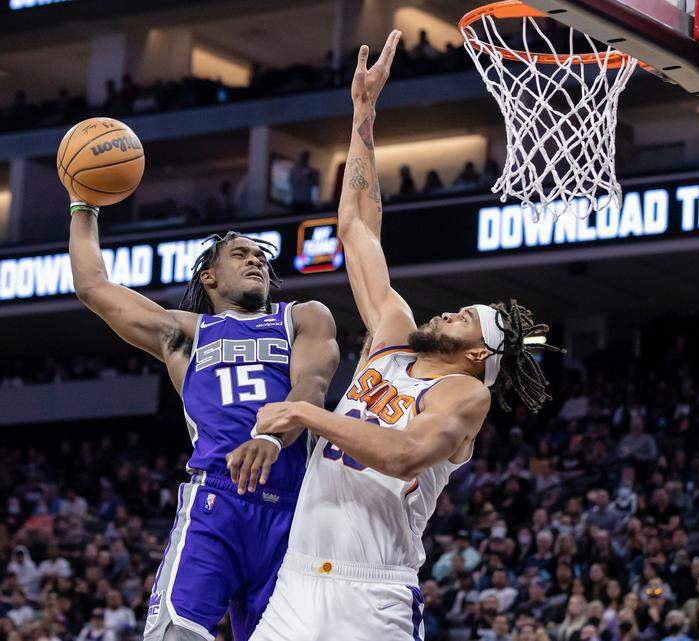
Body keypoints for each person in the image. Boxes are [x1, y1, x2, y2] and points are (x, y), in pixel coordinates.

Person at [250, 31, 558, 641]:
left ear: (479, 355)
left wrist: (307, 413)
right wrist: (364, 113)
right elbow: (357, 229)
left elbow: (402, 455)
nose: (447, 315)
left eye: (465, 319)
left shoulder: (464, 399)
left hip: (373, 592)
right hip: (298, 577)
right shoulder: (392, 336)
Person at [66, 165, 340, 641]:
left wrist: (271, 438)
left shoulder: (302, 317)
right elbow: (95, 288)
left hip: (296, 509)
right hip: (218, 500)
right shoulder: (184, 334)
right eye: (241, 254)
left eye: (261, 257)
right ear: (209, 275)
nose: (256, 261)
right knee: (177, 635)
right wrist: (83, 204)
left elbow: (312, 387)